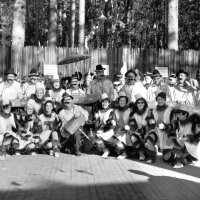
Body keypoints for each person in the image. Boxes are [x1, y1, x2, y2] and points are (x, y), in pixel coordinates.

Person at [144, 92, 174, 163]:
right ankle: (151, 156)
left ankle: (172, 152)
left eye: (162, 99)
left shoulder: (170, 110)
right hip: (156, 130)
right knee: (150, 138)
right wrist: (151, 121)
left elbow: (174, 124)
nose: (160, 101)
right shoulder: (153, 110)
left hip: (167, 132)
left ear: (165, 100)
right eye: (158, 99)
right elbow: (150, 121)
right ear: (156, 100)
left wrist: (166, 126)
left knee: (166, 159)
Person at [129, 93, 148, 161]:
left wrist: (147, 123)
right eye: (138, 103)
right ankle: (141, 154)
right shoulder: (134, 114)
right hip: (138, 132)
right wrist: (132, 126)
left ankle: (152, 151)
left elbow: (152, 122)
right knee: (133, 137)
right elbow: (132, 123)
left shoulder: (148, 111)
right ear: (136, 104)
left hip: (149, 131)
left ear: (144, 103)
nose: (140, 104)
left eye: (142, 102)